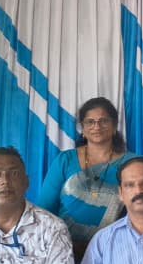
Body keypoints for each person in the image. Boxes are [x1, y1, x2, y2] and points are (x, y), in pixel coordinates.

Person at [37, 97, 136, 246]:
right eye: (90, 122)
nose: (97, 126)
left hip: (114, 247)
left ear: (115, 125)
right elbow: (45, 209)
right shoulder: (65, 160)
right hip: (63, 247)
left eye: (103, 121)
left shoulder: (132, 163)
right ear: (82, 128)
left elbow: (140, 209)